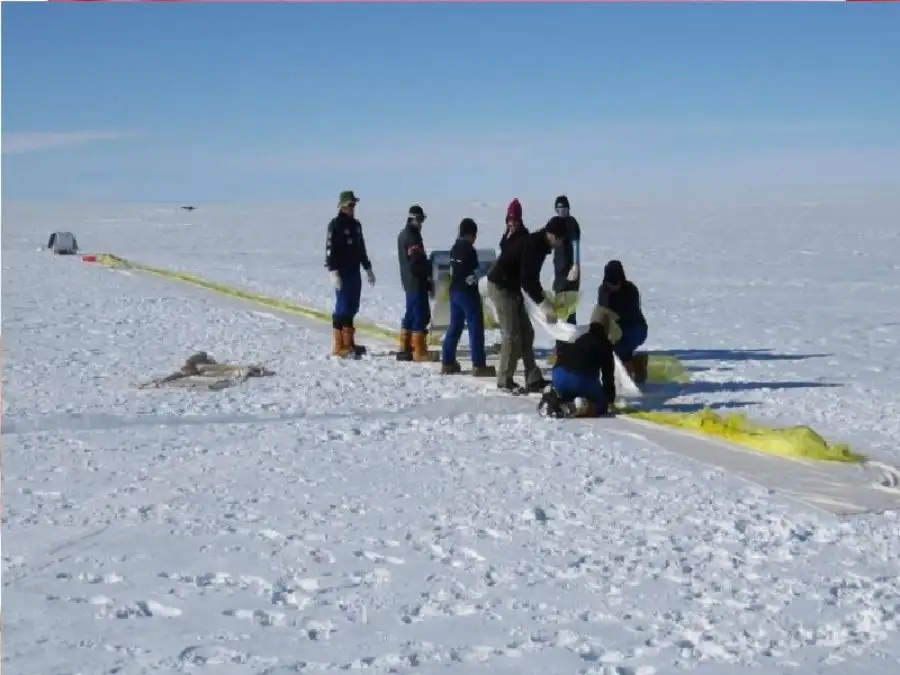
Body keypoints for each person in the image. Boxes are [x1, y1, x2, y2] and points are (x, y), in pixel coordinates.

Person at [486, 217, 569, 394]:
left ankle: (533, 378)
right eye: (561, 239)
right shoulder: (535, 246)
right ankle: (504, 381)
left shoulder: (540, 244)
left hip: (512, 287)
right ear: (552, 234)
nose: (562, 243)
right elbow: (527, 280)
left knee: (527, 332)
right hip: (501, 286)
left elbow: (530, 279)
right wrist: (544, 304)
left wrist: (542, 299)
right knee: (512, 335)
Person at [440, 218, 497, 378]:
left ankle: (447, 362)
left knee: (455, 326)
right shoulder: (469, 249)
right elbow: (473, 272)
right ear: (471, 234)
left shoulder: (454, 248)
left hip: (454, 292)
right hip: (467, 293)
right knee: (475, 328)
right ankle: (479, 365)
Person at [538, 305, 617, 418]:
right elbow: (608, 376)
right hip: (580, 379)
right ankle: (579, 406)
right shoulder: (605, 344)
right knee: (601, 405)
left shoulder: (579, 337)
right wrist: (609, 399)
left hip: (559, 375)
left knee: (568, 396)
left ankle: (551, 396)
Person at [326, 190, 376, 358]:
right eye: (350, 205)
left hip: (354, 270)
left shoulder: (356, 225)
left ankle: (349, 343)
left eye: (354, 205)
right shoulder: (335, 225)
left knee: (353, 306)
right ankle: (340, 346)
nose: (353, 208)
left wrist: (367, 267)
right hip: (342, 271)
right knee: (343, 306)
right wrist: (333, 271)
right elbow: (329, 250)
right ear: (342, 206)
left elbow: (361, 248)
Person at [597, 259, 649, 380]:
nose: (612, 287)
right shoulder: (603, 290)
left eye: (615, 284)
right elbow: (603, 311)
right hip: (613, 328)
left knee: (622, 348)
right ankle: (635, 364)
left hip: (634, 327)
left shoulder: (631, 290)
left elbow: (628, 314)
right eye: (609, 284)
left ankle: (630, 373)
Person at [395, 204, 434, 362]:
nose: (421, 223)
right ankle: (419, 350)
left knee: (410, 313)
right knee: (421, 314)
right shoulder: (412, 236)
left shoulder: (403, 234)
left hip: (408, 280)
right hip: (416, 280)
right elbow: (416, 261)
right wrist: (427, 275)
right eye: (420, 219)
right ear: (413, 219)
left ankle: (405, 346)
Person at [548, 195, 583, 364]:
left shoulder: (571, 223)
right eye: (559, 208)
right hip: (559, 273)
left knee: (569, 311)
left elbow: (576, 244)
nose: (562, 211)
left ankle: (568, 347)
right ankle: (561, 346)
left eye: (564, 208)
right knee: (560, 312)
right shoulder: (555, 223)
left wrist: (575, 265)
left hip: (570, 273)